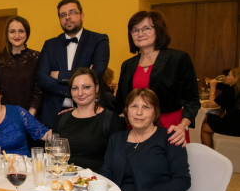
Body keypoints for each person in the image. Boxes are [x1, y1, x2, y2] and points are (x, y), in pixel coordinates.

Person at [101, 88, 190, 191]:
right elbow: (106, 174)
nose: (139, 112)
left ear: (155, 113)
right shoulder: (116, 139)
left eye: (146, 107)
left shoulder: (170, 138)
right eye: (134, 106)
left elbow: (182, 180)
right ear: (127, 111)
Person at [114, 10, 199, 146]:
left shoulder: (178, 59)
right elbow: (119, 103)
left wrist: (182, 126)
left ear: (158, 30)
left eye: (146, 28)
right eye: (135, 30)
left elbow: (192, 101)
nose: (140, 34)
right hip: (136, 128)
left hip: (170, 128)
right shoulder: (127, 65)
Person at [37, 0, 110, 127]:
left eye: (72, 12)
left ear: (82, 16)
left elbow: (96, 73)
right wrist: (73, 90)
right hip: (53, 114)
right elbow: (42, 78)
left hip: (89, 113)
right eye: (63, 15)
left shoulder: (98, 40)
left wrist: (59, 75)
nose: (67, 17)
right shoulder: (50, 44)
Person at [52, 68, 125, 171]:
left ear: (96, 88)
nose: (80, 93)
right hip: (64, 177)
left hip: (97, 178)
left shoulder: (112, 121)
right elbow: (54, 157)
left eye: (86, 87)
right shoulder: (61, 119)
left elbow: (116, 162)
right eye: (75, 88)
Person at [0, 75, 51, 156]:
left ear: (0, 93)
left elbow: (44, 134)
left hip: (22, 163)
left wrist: (58, 140)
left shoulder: (18, 112)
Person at [0, 16, 42, 114]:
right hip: (2, 115)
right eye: (12, 31)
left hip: (31, 115)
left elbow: (40, 90)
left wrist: (29, 116)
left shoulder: (36, 57)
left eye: (21, 31)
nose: (17, 35)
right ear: (7, 34)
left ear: (27, 33)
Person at [201, 67, 240, 147]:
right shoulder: (235, 89)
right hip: (237, 124)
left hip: (234, 126)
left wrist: (213, 88)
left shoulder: (232, 91)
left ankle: (209, 152)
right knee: (206, 127)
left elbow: (212, 104)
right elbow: (222, 98)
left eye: (228, 75)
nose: (226, 77)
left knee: (207, 117)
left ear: (235, 78)